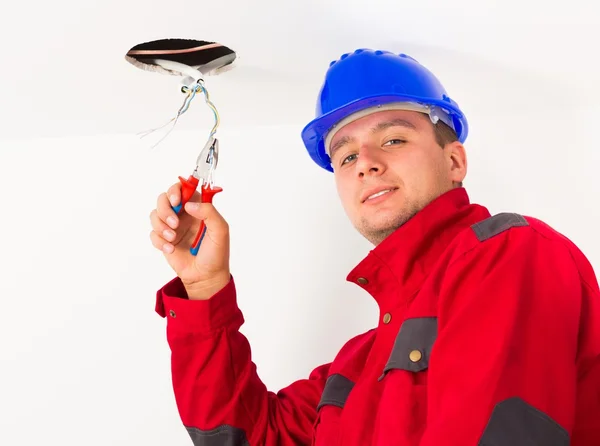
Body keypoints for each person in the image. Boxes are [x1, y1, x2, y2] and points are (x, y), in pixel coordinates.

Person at [149, 49, 600, 445]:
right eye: (346, 156)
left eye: (393, 139)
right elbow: (241, 436)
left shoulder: (510, 254)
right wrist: (204, 287)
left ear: (454, 160)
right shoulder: (357, 367)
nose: (365, 162)